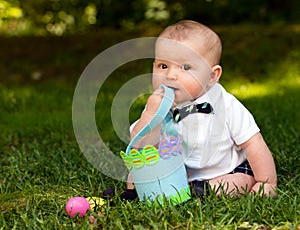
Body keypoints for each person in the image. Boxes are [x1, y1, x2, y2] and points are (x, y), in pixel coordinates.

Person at [103, 20, 277, 200]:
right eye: (163, 66)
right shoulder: (158, 103)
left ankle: (202, 190)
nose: (170, 75)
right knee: (138, 168)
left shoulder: (226, 105)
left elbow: (253, 143)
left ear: (211, 76)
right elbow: (140, 145)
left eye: (185, 67)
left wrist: (267, 181)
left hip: (224, 169)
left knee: (239, 182)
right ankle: (136, 193)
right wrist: (150, 115)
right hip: (177, 171)